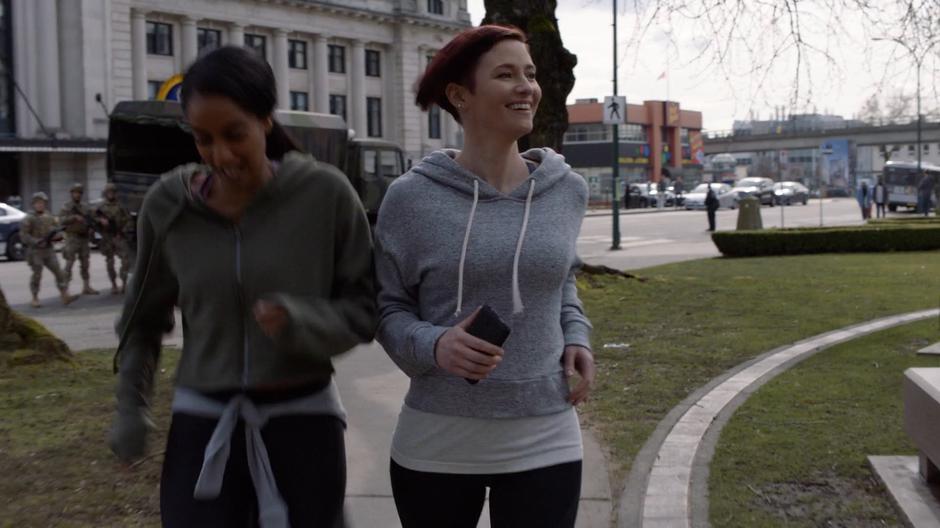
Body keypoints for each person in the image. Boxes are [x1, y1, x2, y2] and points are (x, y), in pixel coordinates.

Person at [108, 46, 376, 527]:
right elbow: (142, 318)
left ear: (265, 121)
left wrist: (302, 322)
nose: (221, 155)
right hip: (205, 423)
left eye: (235, 135)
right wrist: (132, 406)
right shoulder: (168, 205)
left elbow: (364, 309)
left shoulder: (326, 196)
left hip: (304, 425)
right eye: (203, 139)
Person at [374, 25, 594, 528]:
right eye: (506, 74)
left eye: (531, 74)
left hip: (547, 434)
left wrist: (576, 335)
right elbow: (387, 309)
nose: (527, 87)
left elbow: (561, 280)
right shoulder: (411, 198)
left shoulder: (567, 190)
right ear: (460, 96)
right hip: (438, 440)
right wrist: (436, 345)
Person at [19, 192, 78, 307]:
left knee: (59, 272)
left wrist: (58, 237)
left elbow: (57, 230)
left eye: (42, 203)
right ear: (34, 204)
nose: (40, 205)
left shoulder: (49, 217)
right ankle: (35, 297)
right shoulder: (29, 218)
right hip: (36, 251)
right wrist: (36, 242)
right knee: (37, 274)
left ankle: (64, 294)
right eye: (38, 203)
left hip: (49, 250)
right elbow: (24, 236)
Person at [59, 182, 99, 294]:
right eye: (75, 192)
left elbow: (92, 220)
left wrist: (92, 228)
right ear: (71, 193)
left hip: (84, 238)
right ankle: (65, 288)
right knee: (69, 263)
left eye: (79, 193)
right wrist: (73, 217)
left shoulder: (85, 207)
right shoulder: (66, 207)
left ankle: (86, 286)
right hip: (72, 238)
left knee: (85, 263)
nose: (77, 195)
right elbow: (61, 220)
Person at [95, 183, 132, 294]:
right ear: (106, 194)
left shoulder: (121, 206)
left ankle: (124, 283)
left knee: (126, 260)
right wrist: (101, 221)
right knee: (110, 262)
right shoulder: (101, 207)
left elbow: (129, 220)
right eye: (108, 192)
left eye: (112, 192)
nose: (110, 194)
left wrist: (123, 231)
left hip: (119, 236)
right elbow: (93, 220)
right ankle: (114, 284)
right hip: (107, 237)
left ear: (115, 193)